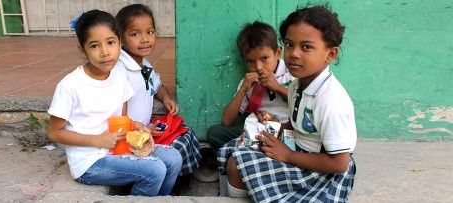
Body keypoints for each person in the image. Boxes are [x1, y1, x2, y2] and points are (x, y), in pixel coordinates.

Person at [219, 4, 357, 202]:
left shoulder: (331, 100)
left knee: (238, 164)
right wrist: (274, 130)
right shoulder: (297, 85)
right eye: (290, 44)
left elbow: (339, 164)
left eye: (306, 47)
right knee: (234, 150)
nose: (294, 54)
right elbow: (298, 122)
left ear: (330, 54)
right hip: (298, 148)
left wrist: (288, 156)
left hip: (322, 171)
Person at [47, 9, 181, 196]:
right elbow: (54, 132)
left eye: (110, 42)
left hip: (118, 148)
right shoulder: (70, 85)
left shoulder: (119, 73)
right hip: (90, 162)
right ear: (82, 49)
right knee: (155, 170)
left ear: (120, 42)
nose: (105, 52)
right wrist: (97, 140)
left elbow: (122, 118)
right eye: (95, 46)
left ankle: (159, 198)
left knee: (173, 157)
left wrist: (136, 126)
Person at [114, 4, 202, 189]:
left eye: (150, 32)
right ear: (121, 39)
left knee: (185, 133)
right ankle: (165, 186)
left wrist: (166, 98)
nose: (145, 39)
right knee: (176, 148)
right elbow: (116, 117)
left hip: (145, 129)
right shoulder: (121, 71)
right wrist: (143, 131)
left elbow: (157, 85)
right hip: (130, 136)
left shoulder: (143, 64)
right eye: (135, 34)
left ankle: (170, 186)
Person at [206, 21, 294, 154]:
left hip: (287, 129)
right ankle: (254, 153)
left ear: (278, 52)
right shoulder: (248, 82)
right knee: (214, 133)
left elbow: (304, 104)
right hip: (258, 129)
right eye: (250, 61)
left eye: (264, 58)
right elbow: (226, 121)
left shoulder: (291, 73)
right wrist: (243, 89)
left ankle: (253, 154)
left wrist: (277, 88)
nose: (258, 67)